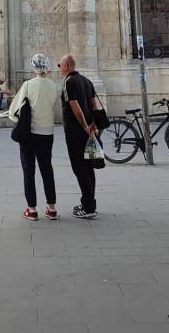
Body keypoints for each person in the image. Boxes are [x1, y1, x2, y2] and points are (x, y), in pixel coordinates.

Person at [7, 54, 61, 220]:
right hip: (48, 133)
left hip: (30, 134)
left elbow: (13, 110)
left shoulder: (28, 85)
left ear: (33, 67)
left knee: (28, 171)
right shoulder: (54, 86)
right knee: (47, 169)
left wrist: (17, 120)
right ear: (47, 66)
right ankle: (51, 208)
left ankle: (32, 209)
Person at [59, 54, 100, 219]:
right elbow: (94, 104)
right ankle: (89, 202)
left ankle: (88, 206)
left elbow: (75, 108)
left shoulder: (69, 82)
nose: (59, 68)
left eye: (59, 65)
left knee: (80, 168)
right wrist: (93, 126)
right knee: (89, 167)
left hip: (76, 133)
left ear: (67, 66)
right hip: (89, 131)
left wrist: (84, 127)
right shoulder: (86, 81)